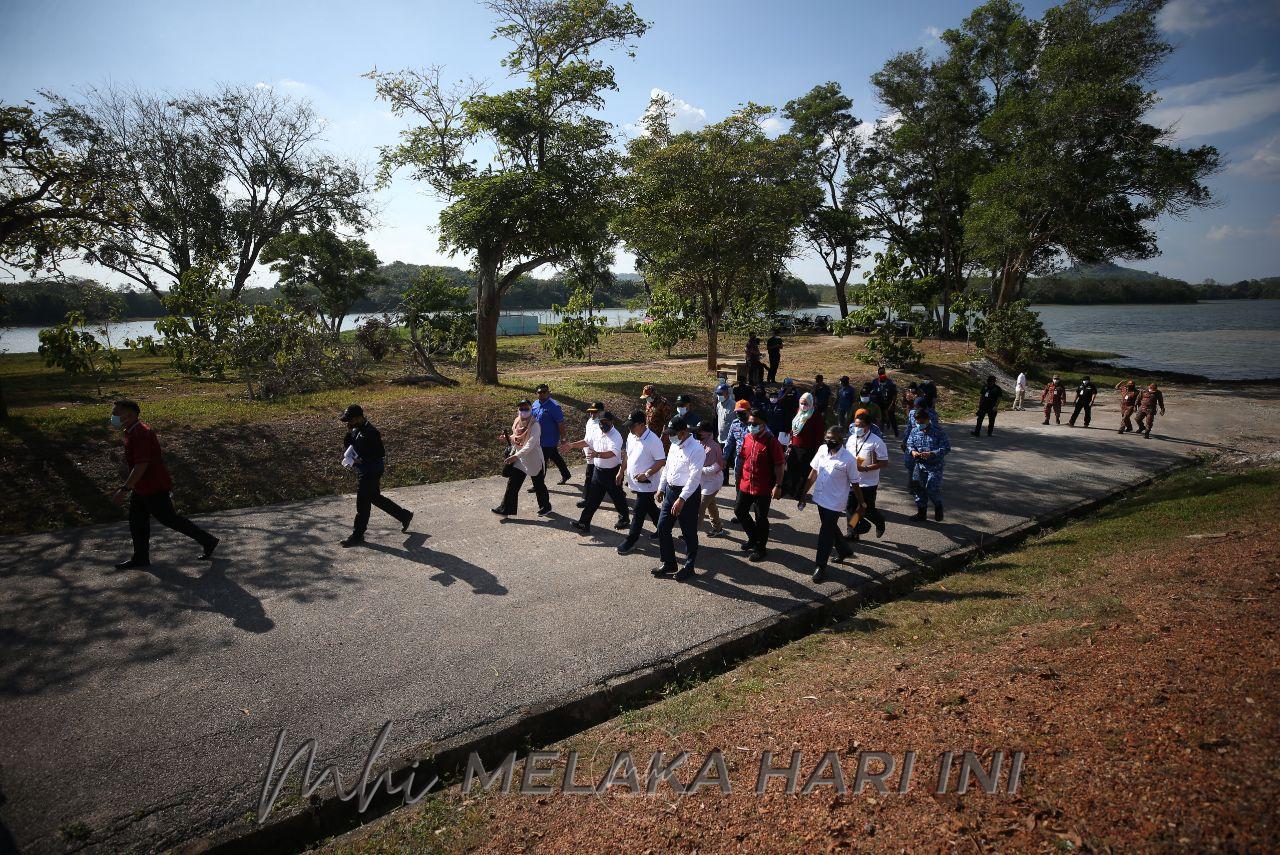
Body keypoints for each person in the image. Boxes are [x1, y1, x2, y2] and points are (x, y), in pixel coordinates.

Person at [109, 400, 219, 568]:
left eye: (116, 413)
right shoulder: (132, 431)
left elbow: (141, 464)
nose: (113, 417)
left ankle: (208, 540)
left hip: (153, 486)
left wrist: (125, 489)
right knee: (137, 521)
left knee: (169, 519)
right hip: (142, 487)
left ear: (129, 414)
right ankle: (140, 557)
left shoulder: (140, 433)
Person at [338, 404, 415, 547]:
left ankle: (357, 535)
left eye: (350, 420)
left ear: (360, 418)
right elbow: (350, 445)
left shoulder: (371, 432)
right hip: (364, 470)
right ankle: (404, 515)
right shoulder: (355, 429)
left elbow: (380, 453)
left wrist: (362, 460)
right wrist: (348, 436)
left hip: (372, 471)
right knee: (375, 498)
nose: (348, 423)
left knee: (362, 503)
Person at [798, 426, 864, 583]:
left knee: (826, 532)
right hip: (820, 497)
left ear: (841, 440)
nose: (829, 442)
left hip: (835, 502)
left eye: (832, 440)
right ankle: (844, 549)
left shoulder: (848, 459)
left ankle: (820, 566)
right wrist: (804, 493)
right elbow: (813, 472)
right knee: (830, 526)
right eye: (827, 439)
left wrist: (862, 503)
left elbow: (855, 483)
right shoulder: (822, 449)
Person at [653, 417, 706, 580]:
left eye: (673, 434)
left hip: (687, 496)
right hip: (670, 492)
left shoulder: (696, 449)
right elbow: (668, 467)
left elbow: (694, 478)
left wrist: (682, 499)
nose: (670, 437)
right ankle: (669, 563)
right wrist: (661, 488)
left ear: (683, 433)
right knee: (662, 527)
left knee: (688, 532)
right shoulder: (675, 445)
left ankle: (689, 566)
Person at [734, 408, 786, 562]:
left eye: (755, 423)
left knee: (761, 518)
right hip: (746, 484)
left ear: (763, 424)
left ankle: (760, 548)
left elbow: (779, 465)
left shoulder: (772, 442)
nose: (751, 426)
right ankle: (753, 538)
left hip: (763, 487)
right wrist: (738, 476)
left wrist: (778, 485)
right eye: (750, 423)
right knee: (739, 510)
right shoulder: (748, 437)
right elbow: (743, 457)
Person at [567, 411, 630, 534]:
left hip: (612, 473)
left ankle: (624, 518)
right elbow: (586, 442)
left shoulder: (616, 436)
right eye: (601, 422)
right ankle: (584, 523)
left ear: (612, 422)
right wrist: (572, 445)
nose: (603, 425)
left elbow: (613, 453)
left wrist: (598, 454)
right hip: (598, 471)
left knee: (617, 497)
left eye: (606, 422)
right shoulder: (596, 431)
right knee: (592, 499)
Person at [616, 410, 667, 555]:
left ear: (641, 424)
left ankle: (630, 541)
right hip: (635, 482)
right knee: (650, 507)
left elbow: (661, 461)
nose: (629, 428)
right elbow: (627, 455)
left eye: (632, 425)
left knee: (638, 512)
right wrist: (621, 471)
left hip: (648, 484)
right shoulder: (632, 436)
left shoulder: (653, 440)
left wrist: (647, 473)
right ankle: (663, 530)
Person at [493, 399, 551, 518]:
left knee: (538, 484)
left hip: (533, 459)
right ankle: (505, 509)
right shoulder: (517, 422)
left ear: (531, 410)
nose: (523, 411)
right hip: (519, 459)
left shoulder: (535, 425)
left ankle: (546, 506)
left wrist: (515, 456)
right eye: (521, 409)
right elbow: (517, 437)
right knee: (513, 484)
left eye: (526, 409)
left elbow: (530, 445)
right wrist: (507, 437)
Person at [846, 411, 889, 541]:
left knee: (867, 509)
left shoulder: (876, 442)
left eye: (861, 426)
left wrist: (864, 468)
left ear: (869, 426)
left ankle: (879, 521)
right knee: (850, 508)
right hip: (852, 480)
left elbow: (884, 463)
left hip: (869, 482)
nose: (857, 428)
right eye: (855, 425)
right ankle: (853, 532)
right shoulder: (851, 438)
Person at [906, 406, 951, 521]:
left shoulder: (938, 431)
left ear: (927, 420)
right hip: (919, 465)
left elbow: (946, 448)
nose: (919, 424)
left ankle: (938, 507)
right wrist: (913, 451)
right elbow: (909, 443)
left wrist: (932, 453)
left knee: (931, 488)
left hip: (934, 466)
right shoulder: (914, 430)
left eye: (921, 422)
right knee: (918, 488)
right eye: (917, 422)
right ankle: (921, 513)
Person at [782, 391, 824, 498]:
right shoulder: (798, 412)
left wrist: (817, 450)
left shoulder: (815, 415)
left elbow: (819, 435)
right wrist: (790, 437)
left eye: (805, 403)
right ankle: (789, 490)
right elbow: (794, 427)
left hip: (807, 449)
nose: (803, 406)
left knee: (803, 472)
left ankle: (799, 493)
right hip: (794, 447)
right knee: (791, 468)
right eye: (801, 403)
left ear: (810, 403)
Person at [532, 384, 572, 484]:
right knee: (555, 456)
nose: (542, 394)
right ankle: (566, 474)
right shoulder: (535, 404)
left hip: (549, 440)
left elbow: (560, 423)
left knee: (541, 462)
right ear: (536, 393)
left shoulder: (554, 406)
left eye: (544, 392)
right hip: (538, 439)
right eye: (539, 392)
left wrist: (563, 439)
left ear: (548, 392)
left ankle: (539, 485)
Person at [900, 396, 940, 496]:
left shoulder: (932, 415)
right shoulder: (913, 413)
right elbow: (909, 427)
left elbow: (935, 430)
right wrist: (904, 441)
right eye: (915, 406)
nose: (915, 408)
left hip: (926, 442)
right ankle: (912, 485)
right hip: (913, 441)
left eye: (917, 406)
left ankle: (926, 485)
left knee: (925, 465)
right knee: (910, 463)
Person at [697, 422, 726, 537]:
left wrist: (700, 469)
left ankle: (690, 534)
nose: (698, 433)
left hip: (713, 483)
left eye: (700, 431)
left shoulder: (714, 447)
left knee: (699, 508)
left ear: (708, 433)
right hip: (702, 482)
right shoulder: (699, 443)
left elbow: (718, 466)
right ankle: (718, 528)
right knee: (711, 505)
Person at [574, 401, 604, 507]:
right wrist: (584, 448)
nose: (592, 414)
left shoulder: (602, 424)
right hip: (590, 454)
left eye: (594, 412)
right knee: (592, 477)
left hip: (598, 455)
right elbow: (587, 437)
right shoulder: (590, 421)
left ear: (601, 412)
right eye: (590, 412)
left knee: (591, 477)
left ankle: (586, 499)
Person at [723, 400, 751, 487]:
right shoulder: (735, 424)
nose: (739, 414)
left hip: (752, 459)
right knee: (738, 481)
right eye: (737, 412)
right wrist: (724, 458)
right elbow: (729, 442)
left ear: (749, 411)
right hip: (739, 458)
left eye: (742, 412)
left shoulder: (756, 424)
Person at [642, 384, 673, 452]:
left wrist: (663, 436)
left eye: (648, 396)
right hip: (650, 434)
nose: (647, 398)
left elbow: (668, 422)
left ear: (653, 394)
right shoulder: (649, 402)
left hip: (660, 435)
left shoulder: (663, 403)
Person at [870, 369, 899, 436]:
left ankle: (896, 432)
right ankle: (881, 433)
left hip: (888, 403)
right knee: (880, 418)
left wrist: (892, 404)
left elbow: (894, 394)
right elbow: (872, 392)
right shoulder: (874, 382)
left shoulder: (890, 383)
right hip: (879, 403)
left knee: (892, 417)